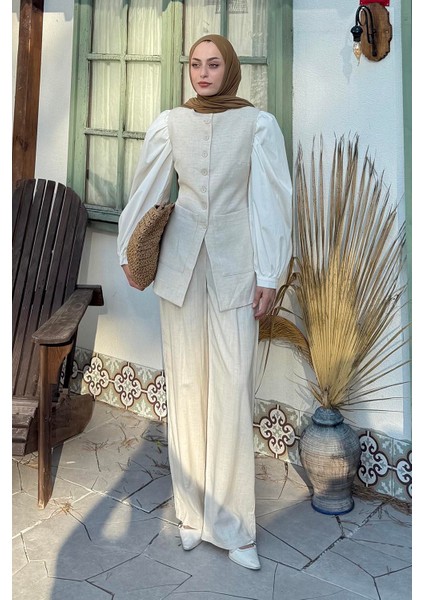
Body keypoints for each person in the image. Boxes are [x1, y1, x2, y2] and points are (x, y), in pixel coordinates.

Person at [117, 34, 292, 570]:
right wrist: (128, 251)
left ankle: (234, 529)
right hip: (180, 268)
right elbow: (148, 188)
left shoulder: (258, 125)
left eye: (213, 64)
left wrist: (270, 273)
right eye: (195, 64)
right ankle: (192, 516)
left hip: (237, 267)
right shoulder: (171, 123)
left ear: (229, 69)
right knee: (187, 385)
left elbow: (271, 200)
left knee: (232, 386)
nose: (203, 72)